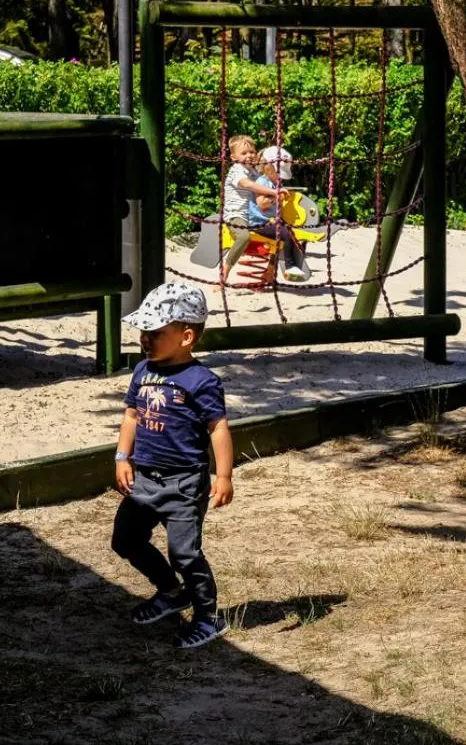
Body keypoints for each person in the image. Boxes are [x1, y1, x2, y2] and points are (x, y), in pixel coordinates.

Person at [111, 282, 234, 649]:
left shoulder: (202, 382)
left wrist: (223, 475)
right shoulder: (142, 371)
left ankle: (208, 617)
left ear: (186, 336)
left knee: (184, 552)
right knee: (126, 540)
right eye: (143, 332)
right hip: (144, 478)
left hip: (183, 483)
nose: (145, 339)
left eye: (155, 332)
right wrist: (122, 457)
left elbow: (219, 428)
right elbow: (132, 416)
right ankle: (170, 591)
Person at [248, 145, 311, 283]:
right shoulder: (262, 181)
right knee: (286, 235)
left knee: (293, 232)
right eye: (278, 172)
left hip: (271, 220)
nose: (280, 176)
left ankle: (271, 271)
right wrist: (277, 197)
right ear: (268, 167)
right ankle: (289, 266)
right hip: (259, 222)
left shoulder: (274, 183)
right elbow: (261, 204)